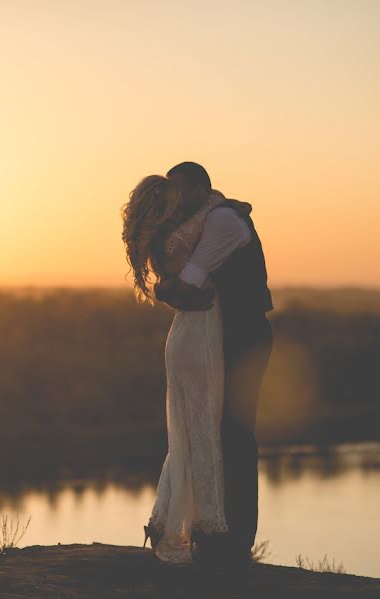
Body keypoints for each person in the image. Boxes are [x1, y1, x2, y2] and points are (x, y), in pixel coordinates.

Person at [155, 161, 274, 566]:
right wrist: (163, 288)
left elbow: (189, 281)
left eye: (180, 191)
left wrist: (164, 288)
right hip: (221, 338)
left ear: (203, 189)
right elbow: (179, 285)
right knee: (210, 429)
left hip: (243, 340)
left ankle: (235, 540)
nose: (174, 201)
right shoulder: (207, 219)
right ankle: (213, 533)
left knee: (235, 435)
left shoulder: (223, 221)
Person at [121, 172, 235, 563]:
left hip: (181, 337)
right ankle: (209, 529)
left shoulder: (161, 238)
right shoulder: (192, 225)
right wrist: (226, 202)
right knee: (202, 430)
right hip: (201, 333)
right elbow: (213, 206)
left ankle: (164, 524)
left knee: (184, 435)